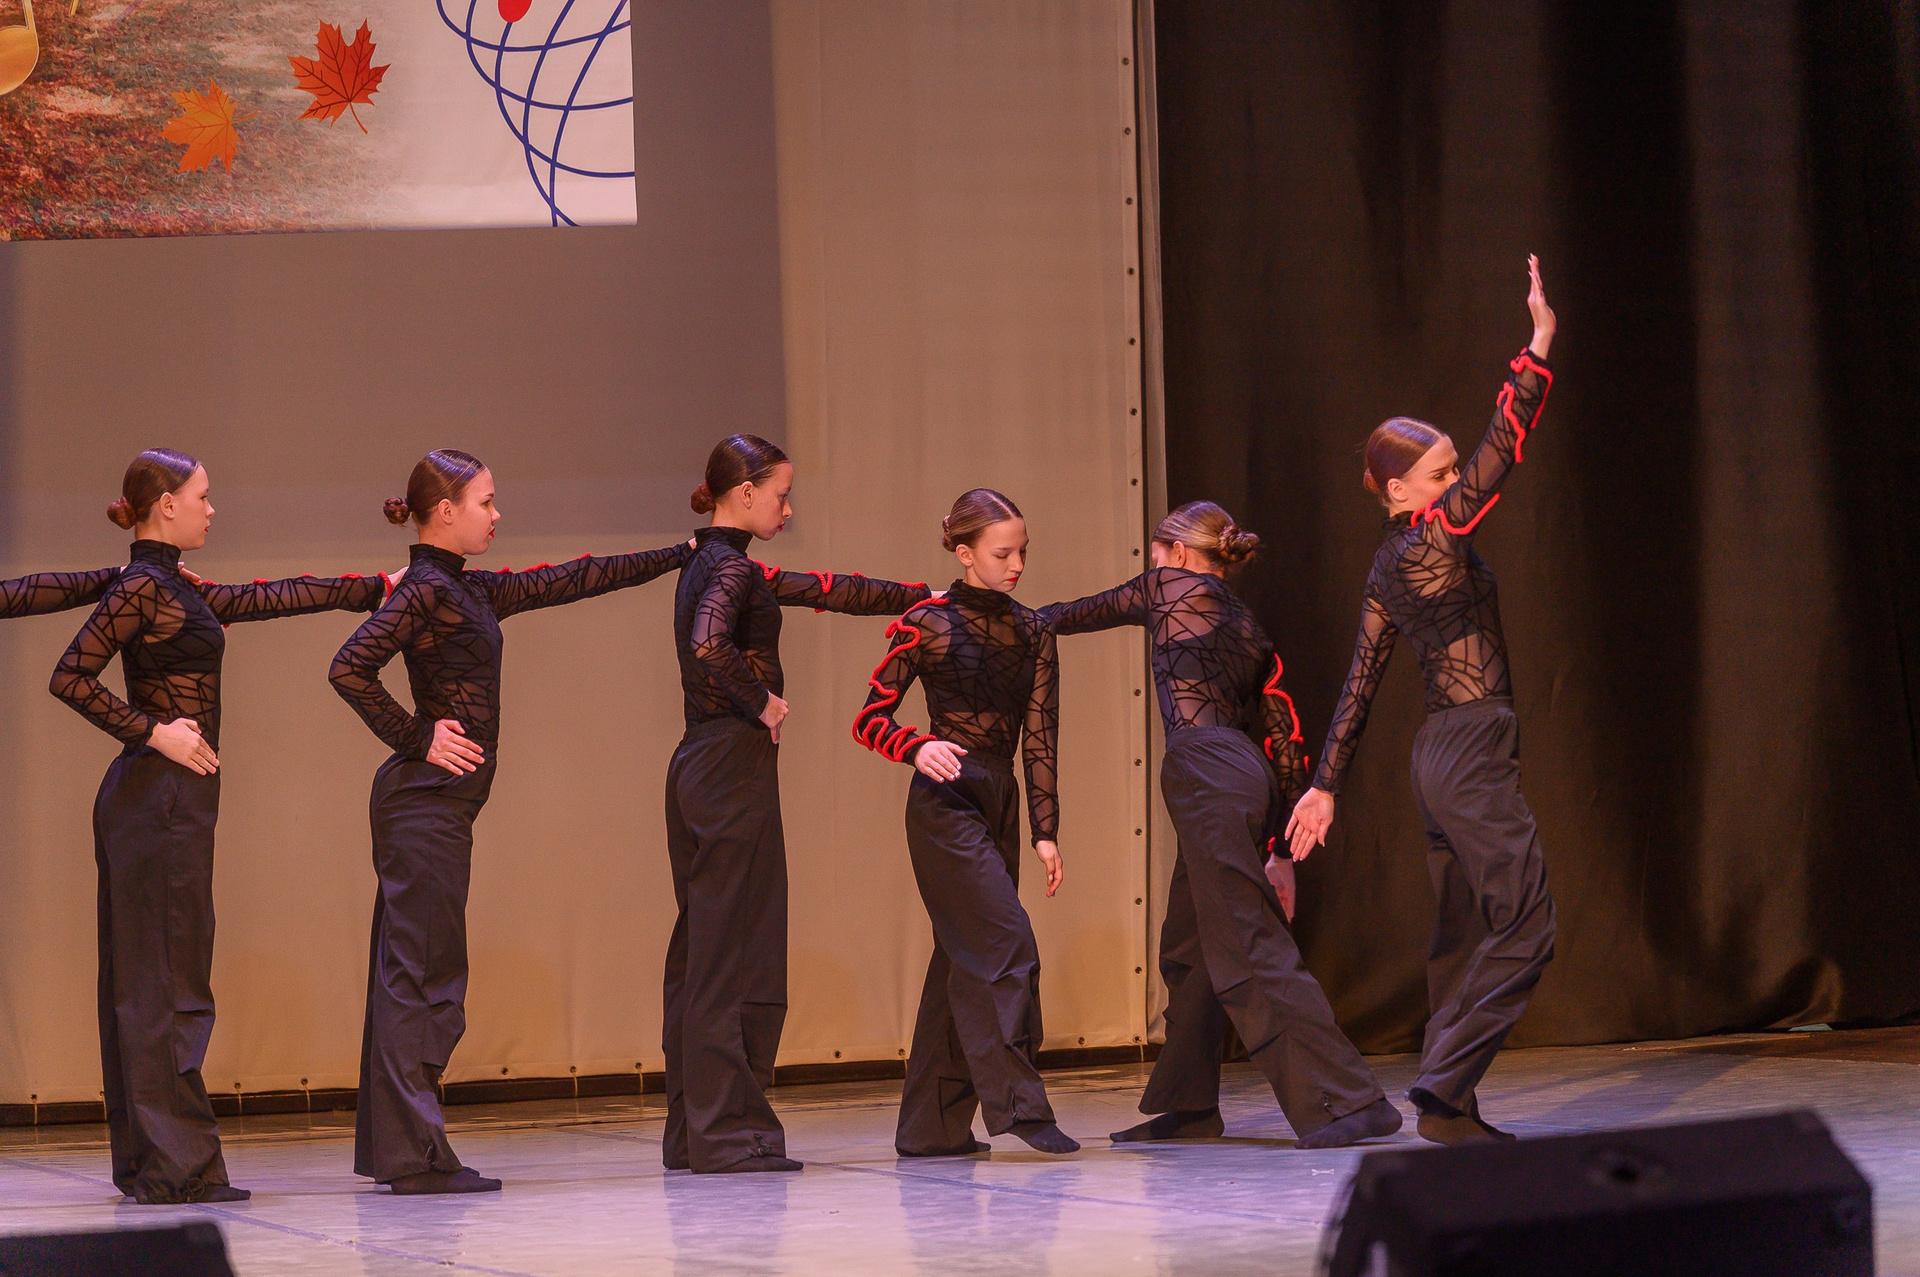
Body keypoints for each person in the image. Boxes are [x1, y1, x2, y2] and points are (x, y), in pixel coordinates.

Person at [329, 448, 691, 1194]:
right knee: (423, 975)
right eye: (486, 502)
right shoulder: (425, 590)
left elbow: (574, 577)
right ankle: (414, 1155)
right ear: (444, 511)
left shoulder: (466, 589)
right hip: (423, 803)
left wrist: (678, 553)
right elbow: (348, 666)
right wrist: (417, 735)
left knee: (415, 972)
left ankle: (400, 1149)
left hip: (437, 806)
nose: (497, 514)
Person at [51, 448, 392, 1204]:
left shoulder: (172, 583)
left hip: (170, 801)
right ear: (166, 504)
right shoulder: (144, 585)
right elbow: (69, 674)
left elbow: (265, 597)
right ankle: (173, 1165)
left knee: (159, 977)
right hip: (157, 799)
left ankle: (158, 1161)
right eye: (202, 496)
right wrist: (152, 731)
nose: (212, 508)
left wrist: (372, 587)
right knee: (163, 981)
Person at [1287, 256, 1558, 1146]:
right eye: (1437, 475)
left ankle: (1452, 1110)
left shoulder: (1383, 569)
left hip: (1435, 755)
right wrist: (1537, 348)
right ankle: (1443, 1088)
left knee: (1460, 934)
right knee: (1527, 921)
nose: (1449, 483)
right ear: (1398, 490)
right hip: (1470, 746)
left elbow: (1360, 682)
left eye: (1447, 474)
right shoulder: (1433, 539)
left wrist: (1324, 783)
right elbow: (1497, 457)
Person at [1043, 502, 1399, 1150]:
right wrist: (1280, 849)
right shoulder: (1248, 624)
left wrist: (991, 614)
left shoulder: (1167, 585)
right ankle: (1188, 1105)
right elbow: (1283, 736)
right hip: (1244, 773)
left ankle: (1350, 1099)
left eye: (1155, 554)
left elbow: (1072, 614)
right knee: (1191, 944)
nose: (1152, 566)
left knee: (1245, 941)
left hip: (1206, 771)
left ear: (1177, 552)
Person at [666, 433, 933, 1173]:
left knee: (703, 950)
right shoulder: (729, 568)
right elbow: (710, 643)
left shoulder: (715, 562)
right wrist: (763, 703)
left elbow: (826, 589)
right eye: (781, 495)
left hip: (702, 764)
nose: (788, 509)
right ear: (745, 492)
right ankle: (728, 1133)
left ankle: (694, 1130)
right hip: (730, 765)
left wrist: (919, 596)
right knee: (736, 950)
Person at [852, 488, 1077, 1157]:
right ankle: (1020, 1107)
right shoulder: (927, 622)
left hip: (999, 798)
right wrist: (914, 745)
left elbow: (1040, 737)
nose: (1017, 565)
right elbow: (868, 718)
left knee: (961, 958)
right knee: (1006, 944)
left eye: (1023, 552)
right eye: (1003, 553)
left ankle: (932, 1127)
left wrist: (1044, 831)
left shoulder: (1034, 630)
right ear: (964, 552)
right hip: (944, 801)